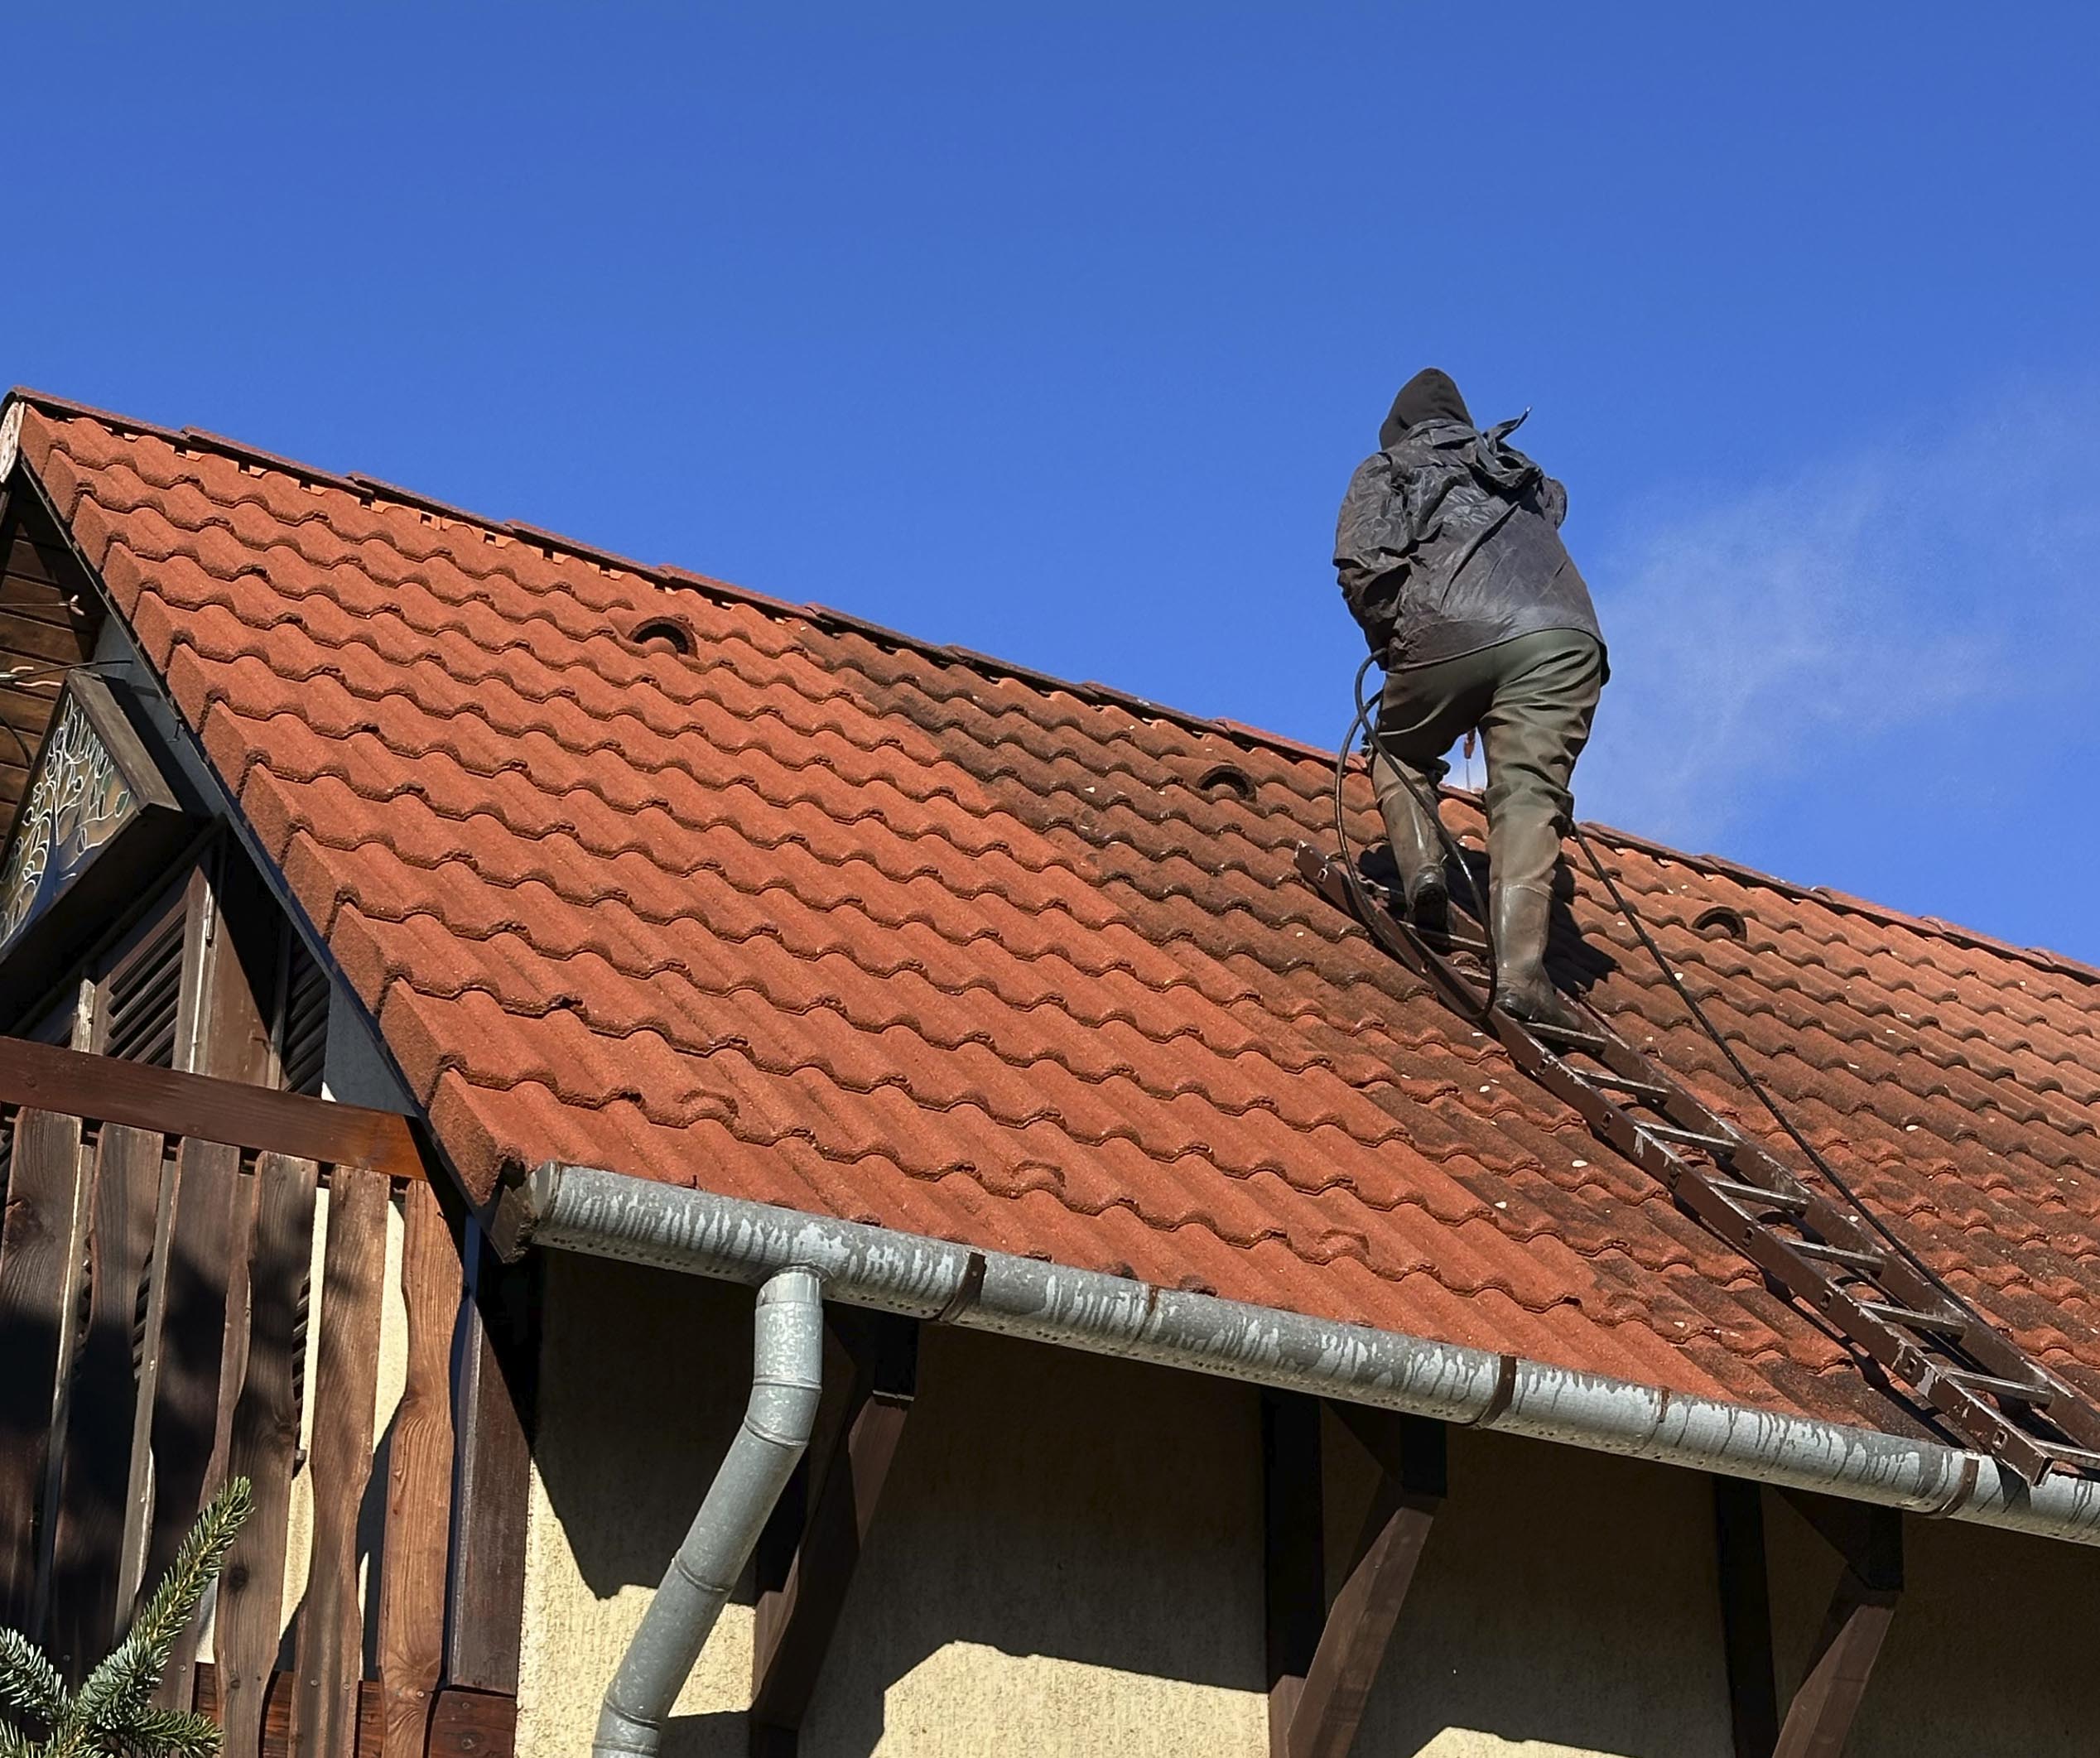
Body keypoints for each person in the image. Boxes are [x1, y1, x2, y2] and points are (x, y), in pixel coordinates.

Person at [1332, 368, 1606, 1027]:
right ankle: (1523, 978)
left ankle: (1422, 870)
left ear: (1399, 430)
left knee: (1396, 749)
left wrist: (1400, 645)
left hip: (1447, 628)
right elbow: (1551, 513)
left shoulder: (1388, 468)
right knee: (1530, 795)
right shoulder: (1514, 470)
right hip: (1564, 639)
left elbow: (1363, 567)